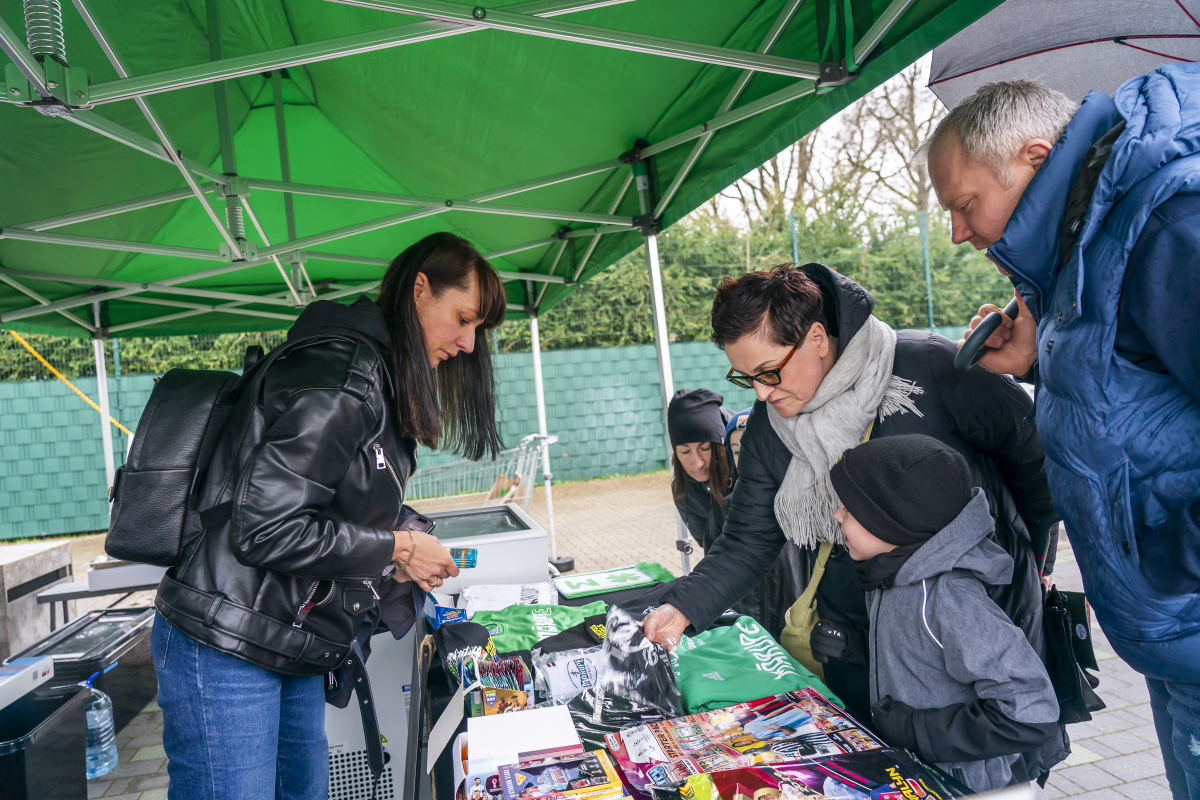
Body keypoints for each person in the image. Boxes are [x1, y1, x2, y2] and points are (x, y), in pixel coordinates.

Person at [150, 232, 507, 799]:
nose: (467, 343)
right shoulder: (345, 374)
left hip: (287, 638)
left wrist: (405, 535)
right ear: (420, 290)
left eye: (477, 330)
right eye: (462, 318)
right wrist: (398, 549)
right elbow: (266, 526)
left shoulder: (379, 380)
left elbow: (329, 498)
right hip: (226, 638)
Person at [922, 72, 1200, 798]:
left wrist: (1179, 562)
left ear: (1037, 160)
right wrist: (1039, 360)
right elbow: (1149, 395)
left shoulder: (1170, 226)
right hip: (1174, 636)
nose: (957, 233)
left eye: (963, 205)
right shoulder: (1088, 249)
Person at [643, 264, 1059, 737]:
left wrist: (1036, 555)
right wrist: (683, 607)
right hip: (856, 642)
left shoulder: (929, 366)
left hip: (973, 625)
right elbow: (748, 539)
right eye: (745, 379)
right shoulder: (767, 426)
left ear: (817, 337)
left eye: (769, 372)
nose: (762, 392)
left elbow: (1038, 460)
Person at [833, 434, 1061, 792]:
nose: (836, 515)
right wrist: (856, 646)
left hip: (962, 786)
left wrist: (917, 730)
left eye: (849, 509)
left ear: (893, 520)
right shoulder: (891, 574)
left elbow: (1030, 709)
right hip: (915, 776)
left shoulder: (949, 597)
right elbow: (928, 658)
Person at [668, 387, 735, 554]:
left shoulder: (747, 461)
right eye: (685, 452)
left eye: (705, 448)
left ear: (720, 446)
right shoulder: (683, 491)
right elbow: (711, 549)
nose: (697, 463)